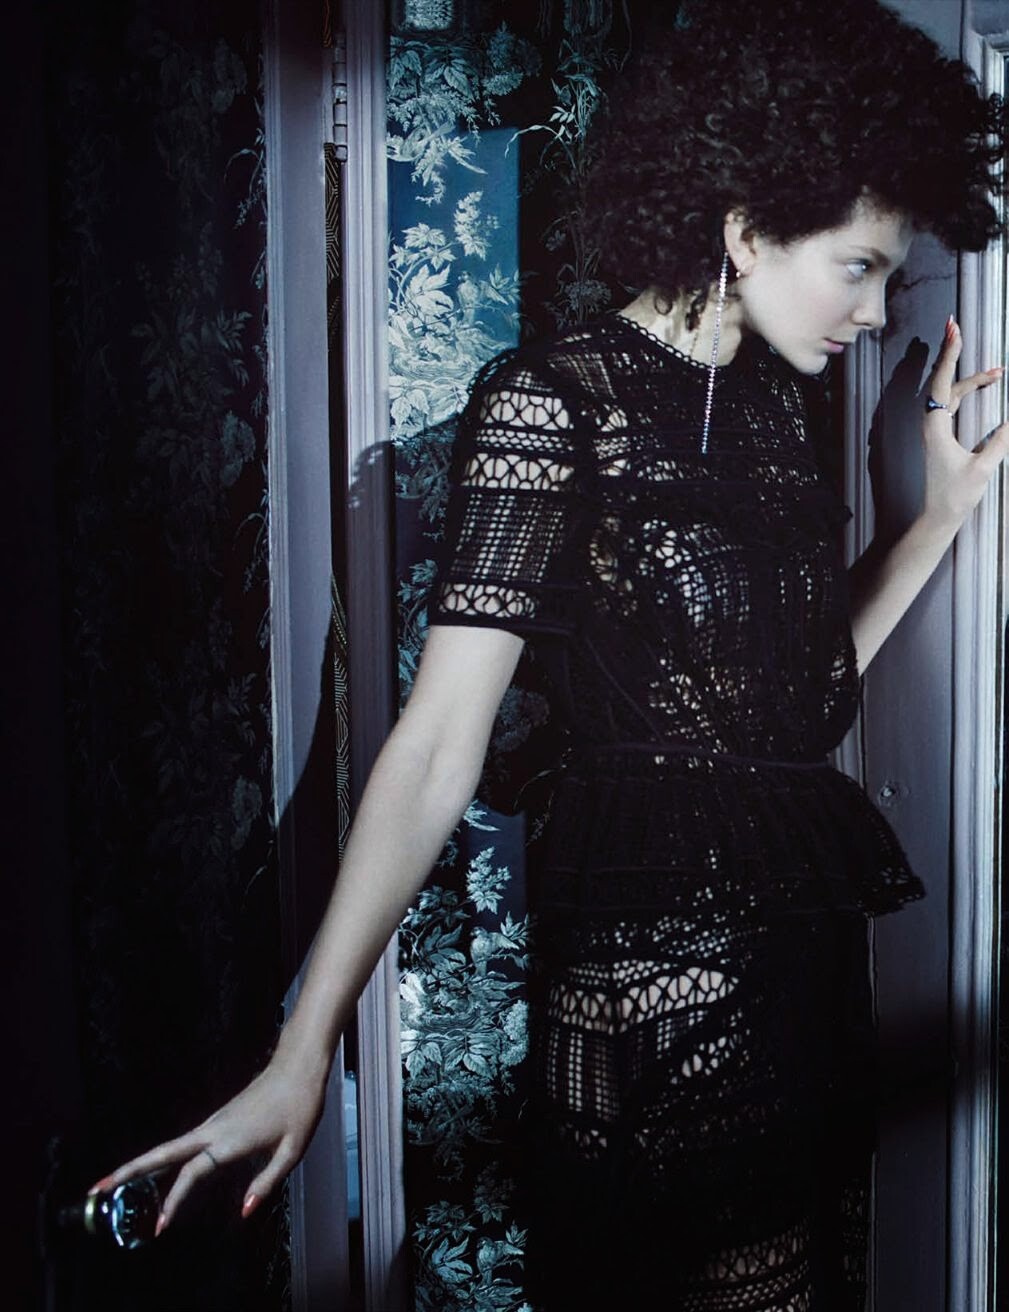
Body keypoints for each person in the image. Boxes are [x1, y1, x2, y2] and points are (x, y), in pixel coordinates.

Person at [93, 0, 1009, 1306]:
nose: (873, 313)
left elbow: (786, 708)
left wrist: (935, 522)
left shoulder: (771, 408)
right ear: (744, 231)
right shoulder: (553, 403)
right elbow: (435, 745)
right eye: (857, 267)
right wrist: (304, 1051)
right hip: (651, 985)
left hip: (795, 971)